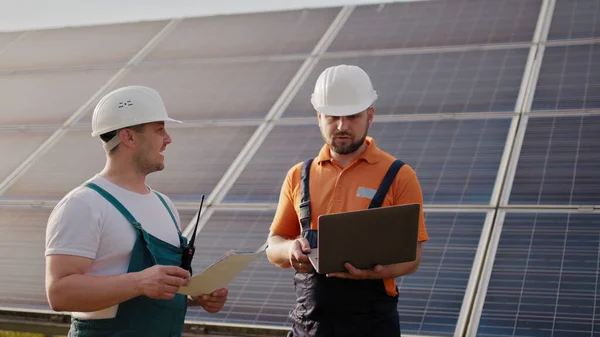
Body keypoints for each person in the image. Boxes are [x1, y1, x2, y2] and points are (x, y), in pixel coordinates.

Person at [45, 85, 228, 337]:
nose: (168, 139)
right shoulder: (84, 204)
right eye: (159, 130)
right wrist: (139, 282)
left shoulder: (165, 205)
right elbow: (59, 293)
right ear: (129, 137)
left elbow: (149, 291)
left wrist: (195, 296)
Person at [265, 65, 429, 337]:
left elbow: (412, 257)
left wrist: (369, 273)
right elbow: (273, 244)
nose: (342, 126)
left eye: (352, 116)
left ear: (370, 116)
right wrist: (290, 249)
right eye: (332, 117)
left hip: (372, 326)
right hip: (309, 325)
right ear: (319, 117)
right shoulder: (298, 176)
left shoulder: (400, 176)